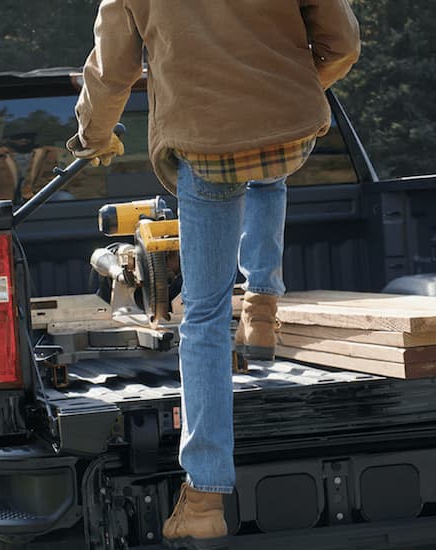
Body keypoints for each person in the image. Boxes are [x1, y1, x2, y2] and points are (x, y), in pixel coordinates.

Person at [67, 1, 360, 545]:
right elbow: (341, 44)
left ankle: (204, 496)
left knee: (201, 317)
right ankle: (263, 304)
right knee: (266, 160)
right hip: (287, 127)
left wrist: (93, 136)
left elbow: (112, 69)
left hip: (204, 143)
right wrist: (290, 88)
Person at [0, 119, 77, 203]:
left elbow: (81, 175)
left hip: (48, 206)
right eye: (17, 137)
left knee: (64, 198)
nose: (23, 139)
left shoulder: (55, 154)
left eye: (27, 136)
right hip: (4, 209)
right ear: (5, 139)